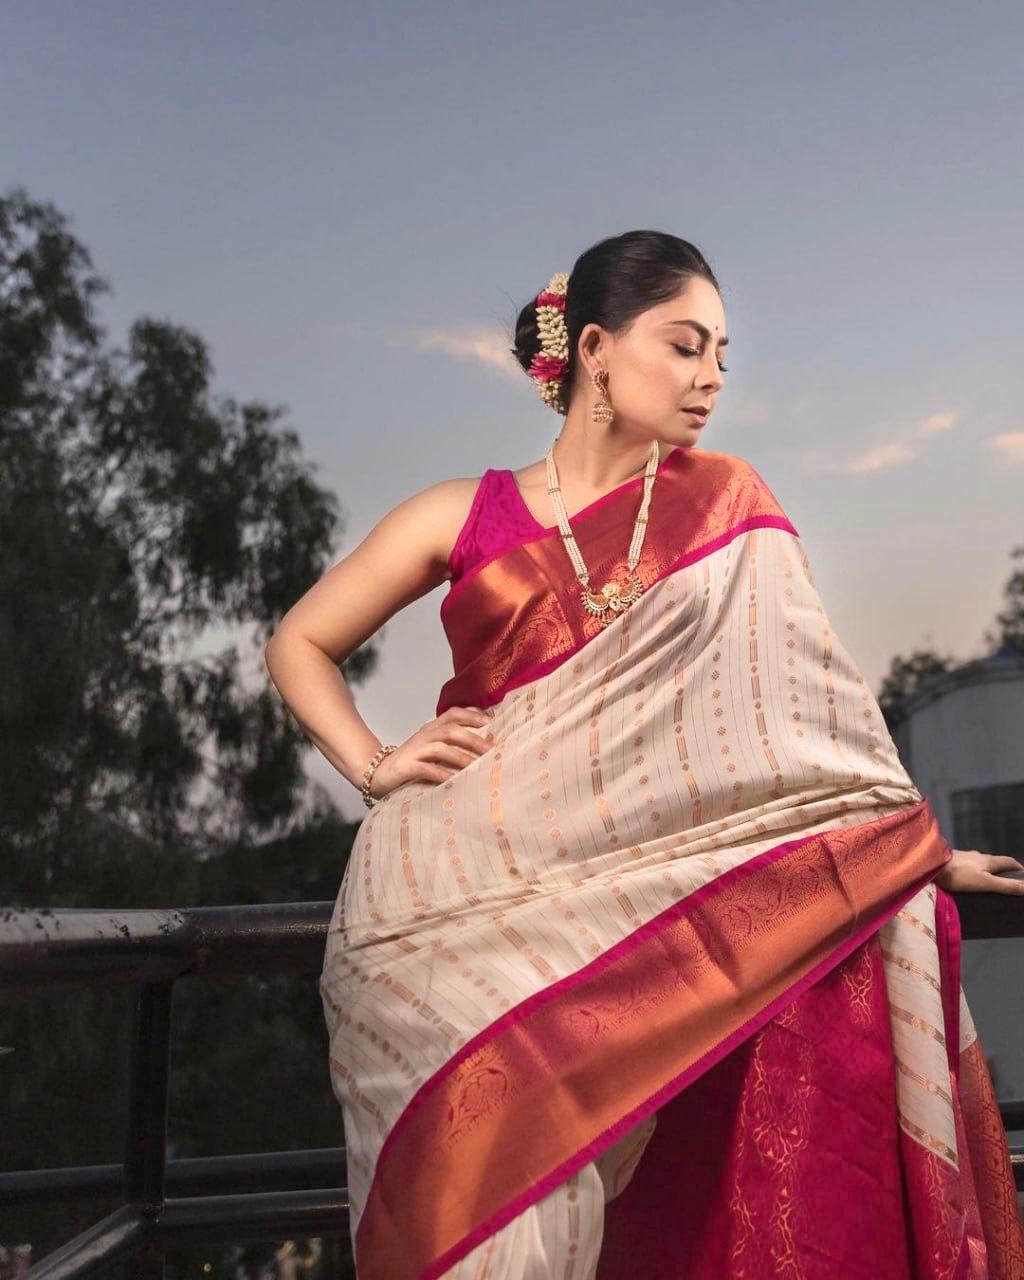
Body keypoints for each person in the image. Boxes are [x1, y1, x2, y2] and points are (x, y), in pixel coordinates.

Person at [265, 230, 1024, 1280]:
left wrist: (908, 853)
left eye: (722, 352)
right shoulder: (461, 512)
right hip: (444, 913)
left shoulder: (726, 504)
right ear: (592, 348)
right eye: (683, 344)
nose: (710, 376)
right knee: (473, 1204)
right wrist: (373, 760)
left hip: (624, 917)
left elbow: (798, 723)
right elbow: (299, 638)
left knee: (577, 1210)